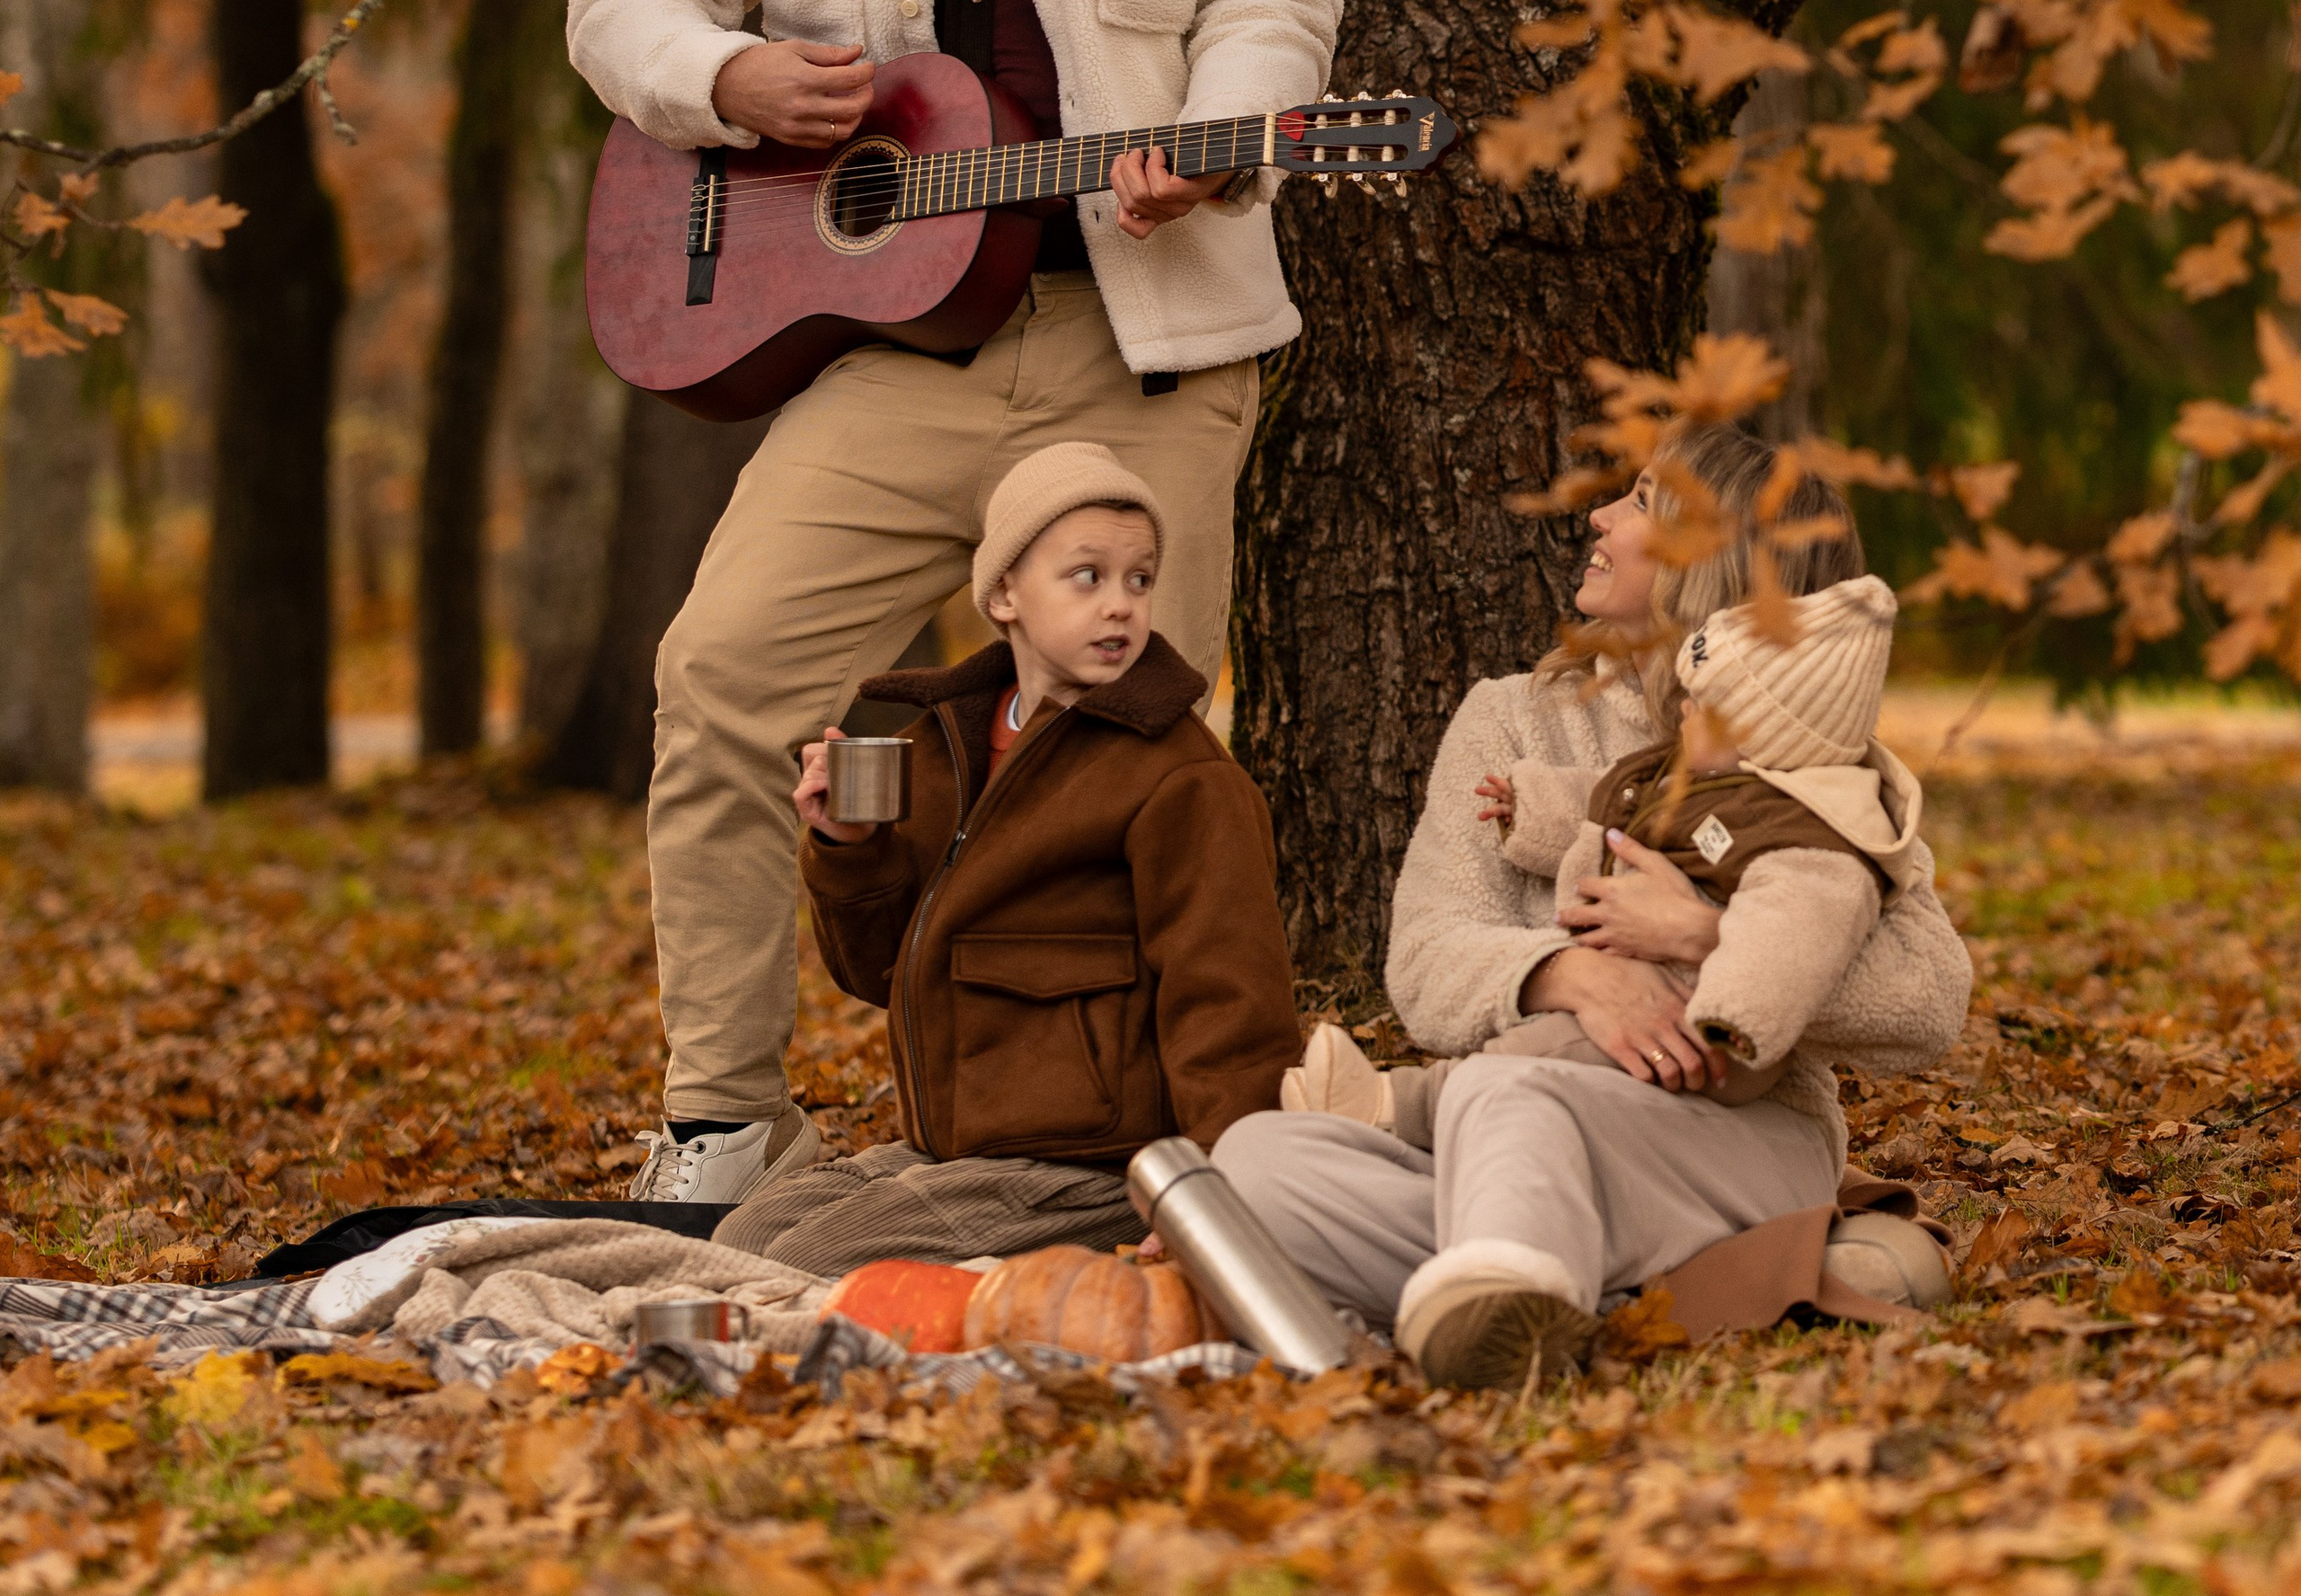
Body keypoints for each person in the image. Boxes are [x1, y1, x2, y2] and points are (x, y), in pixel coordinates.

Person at [568, 0, 1340, 1206]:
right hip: (895, 359)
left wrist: (1217, 133)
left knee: (1144, 743)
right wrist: (730, 80)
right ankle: (722, 1119)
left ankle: (1155, 1140)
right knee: (719, 682)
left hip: (1137, 341)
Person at [1215, 423, 1974, 1390]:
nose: (1602, 515)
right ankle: (1680, 1284)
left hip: (1729, 1137)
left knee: (1504, 1092)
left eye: (1643, 502)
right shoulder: (1509, 717)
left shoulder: (1806, 760)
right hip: (1513, 1136)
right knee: (1252, 1160)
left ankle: (1526, 1294)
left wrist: (1706, 936)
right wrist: (1570, 975)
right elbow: (1426, 957)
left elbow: (1927, 1000)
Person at [699, 444, 1299, 1278]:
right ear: (1005, 593)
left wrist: (1212, 1188)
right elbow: (881, 972)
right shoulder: (945, 744)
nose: (1121, 606)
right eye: (1086, 576)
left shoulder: (1177, 774)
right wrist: (847, 848)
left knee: (803, 1264)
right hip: (956, 1148)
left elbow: (1232, 1001)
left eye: (1139, 579)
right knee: (747, 1237)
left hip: (1099, 1164)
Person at [1290, 569, 1925, 1128]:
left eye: (1705, 707)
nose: (1685, 712)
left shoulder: (1805, 830)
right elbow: (1618, 801)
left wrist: (1718, 976)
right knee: (1556, 1049)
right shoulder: (1694, 775)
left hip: (1702, 1035)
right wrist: (1530, 807)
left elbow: (1802, 926)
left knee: (1544, 1057)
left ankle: (1392, 1105)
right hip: (1650, 1019)